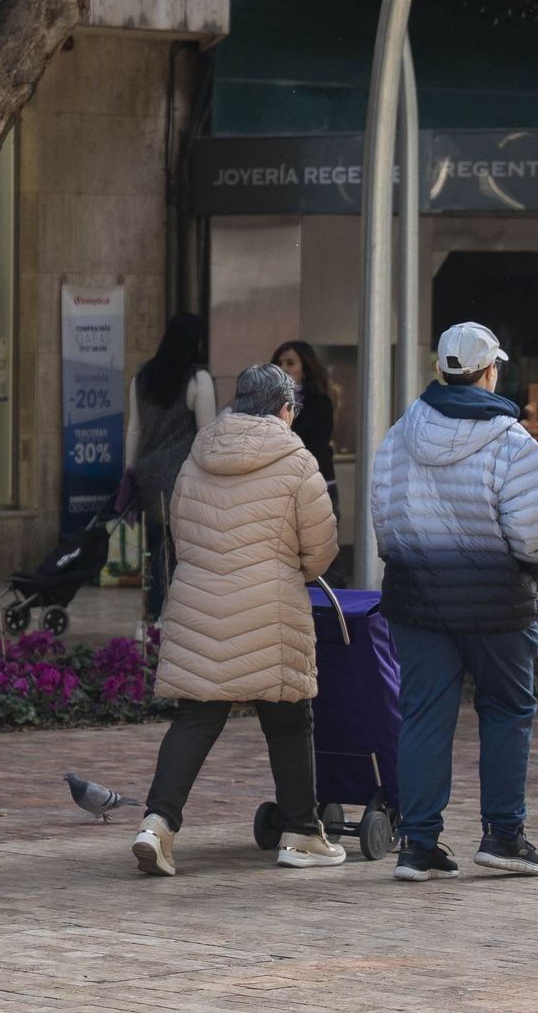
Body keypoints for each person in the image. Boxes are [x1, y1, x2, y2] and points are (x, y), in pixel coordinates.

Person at [131, 364, 344, 876]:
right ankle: (299, 832)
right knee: (290, 718)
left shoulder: (196, 456)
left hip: (200, 608)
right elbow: (318, 554)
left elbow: (181, 533)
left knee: (196, 718)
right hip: (269, 612)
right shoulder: (297, 462)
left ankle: (156, 826)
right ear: (284, 409)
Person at [371, 322, 538, 883]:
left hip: (418, 602)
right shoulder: (513, 441)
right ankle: (503, 836)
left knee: (425, 715)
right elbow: (531, 537)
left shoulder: (400, 434)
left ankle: (418, 844)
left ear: (441, 370)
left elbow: (385, 524)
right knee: (506, 711)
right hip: (497, 604)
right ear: (490, 369)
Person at [125, 312, 216, 620]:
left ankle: (153, 613)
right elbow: (207, 433)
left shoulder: (142, 377)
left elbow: (134, 429)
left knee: (157, 544)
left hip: (149, 473)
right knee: (182, 548)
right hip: (183, 474)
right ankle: (177, 614)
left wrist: (130, 472)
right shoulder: (197, 380)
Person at [272, 340, 339, 519]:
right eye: (279, 363)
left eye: (290, 363)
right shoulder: (268, 403)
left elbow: (317, 445)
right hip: (280, 487)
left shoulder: (319, 401)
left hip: (315, 484)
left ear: (305, 369)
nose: (283, 368)